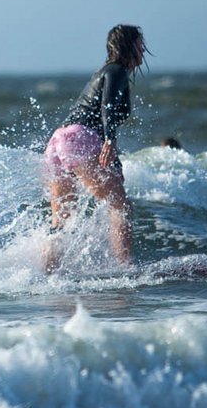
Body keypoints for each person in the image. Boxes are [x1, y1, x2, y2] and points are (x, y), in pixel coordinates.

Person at [43, 24, 147, 268]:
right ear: (130, 46)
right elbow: (106, 107)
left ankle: (46, 276)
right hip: (79, 139)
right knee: (120, 206)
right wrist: (110, 139)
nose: (143, 50)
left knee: (62, 220)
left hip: (58, 141)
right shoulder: (117, 70)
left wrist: (113, 156)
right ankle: (126, 268)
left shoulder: (103, 72)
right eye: (140, 44)